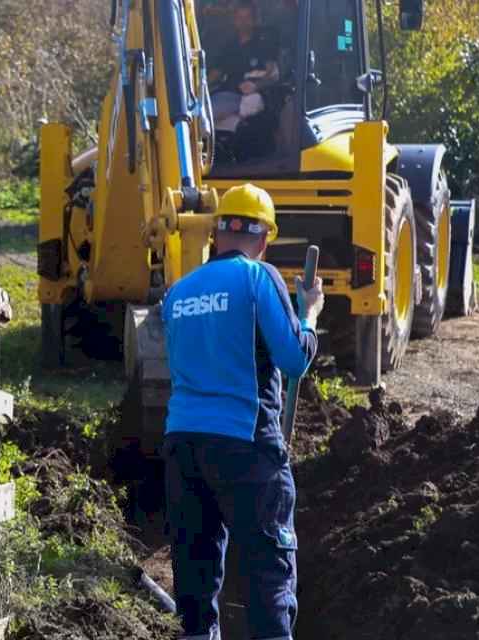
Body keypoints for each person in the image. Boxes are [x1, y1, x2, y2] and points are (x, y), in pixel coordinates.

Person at [160, 184, 324, 640]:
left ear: (216, 233)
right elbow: (293, 358)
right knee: (267, 576)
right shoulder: (257, 276)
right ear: (264, 237)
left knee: (195, 582)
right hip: (244, 445)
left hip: (182, 446)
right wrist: (308, 314)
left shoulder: (178, 293)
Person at [204, 2, 280, 132]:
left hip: (252, 98)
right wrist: (199, 86)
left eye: (247, 18)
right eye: (239, 18)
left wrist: (256, 86)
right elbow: (216, 72)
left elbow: (274, 75)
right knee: (201, 113)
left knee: (205, 118)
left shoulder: (263, 44)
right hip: (228, 94)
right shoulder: (230, 46)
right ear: (234, 20)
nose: (243, 22)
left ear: (255, 20)